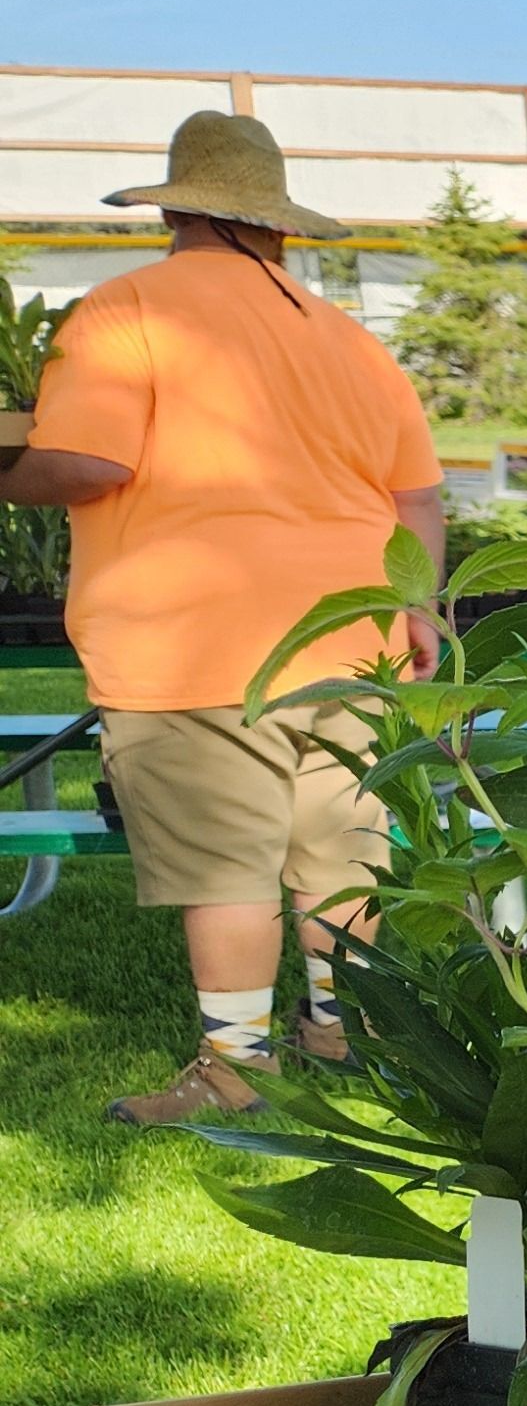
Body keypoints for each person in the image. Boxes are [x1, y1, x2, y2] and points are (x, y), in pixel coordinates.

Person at [0, 111, 443, 1123]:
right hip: (355, 635)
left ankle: (237, 1073)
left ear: (174, 210)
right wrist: (416, 607)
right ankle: (342, 1038)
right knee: (339, 856)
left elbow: (90, 463)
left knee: (227, 865)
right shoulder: (350, 341)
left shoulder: (124, 310)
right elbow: (416, 498)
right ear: (275, 224)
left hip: (194, 639)